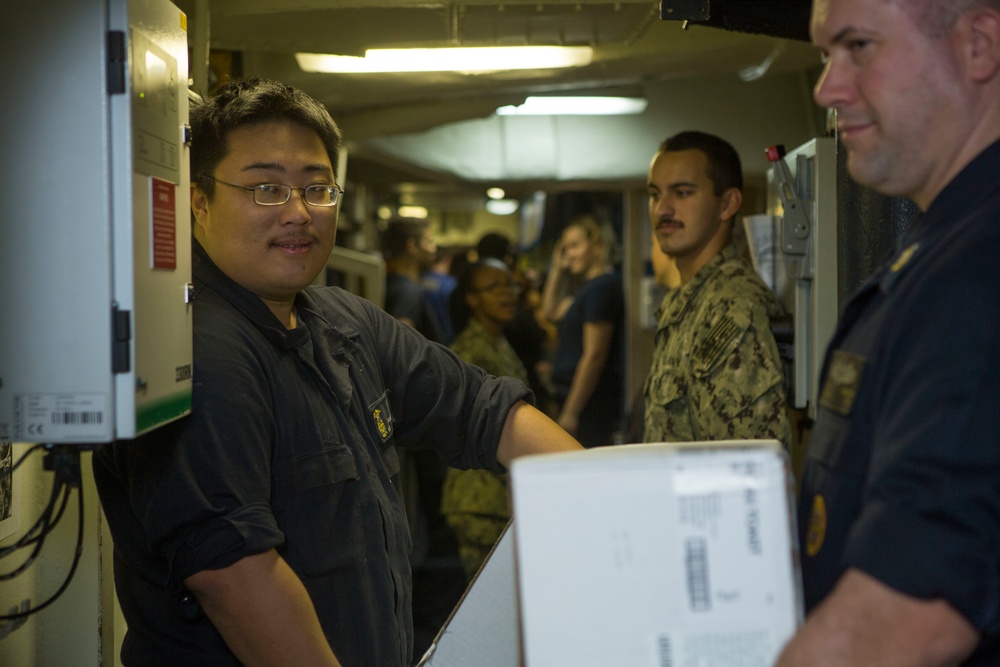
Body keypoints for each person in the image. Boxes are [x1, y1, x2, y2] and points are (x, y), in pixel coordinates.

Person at [91, 77, 583, 667]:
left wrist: (606, 505)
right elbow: (235, 577)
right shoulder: (201, 351)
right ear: (200, 200)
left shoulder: (342, 322)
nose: (299, 212)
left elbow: (485, 411)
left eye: (317, 188)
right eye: (266, 188)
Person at [775, 0, 1000, 664]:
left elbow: (909, 614)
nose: (827, 88)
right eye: (825, 54)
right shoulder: (941, 248)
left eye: (860, 47)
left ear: (979, 45)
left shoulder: (981, 270)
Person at [642, 131, 790, 447]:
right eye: (655, 194)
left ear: (728, 204)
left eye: (682, 193)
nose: (662, 210)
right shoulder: (686, 300)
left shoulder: (733, 306)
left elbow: (744, 463)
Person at [440, 258, 527, 580]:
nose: (507, 293)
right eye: (494, 287)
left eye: (510, 284)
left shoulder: (497, 341)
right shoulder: (470, 351)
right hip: (480, 500)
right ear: (472, 299)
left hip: (496, 495)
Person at [542, 215, 625, 447]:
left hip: (589, 405)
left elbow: (594, 355)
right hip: (575, 398)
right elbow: (549, 312)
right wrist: (558, 269)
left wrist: (571, 412)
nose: (569, 254)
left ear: (598, 246)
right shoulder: (587, 289)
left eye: (575, 245)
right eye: (565, 248)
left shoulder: (602, 288)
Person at [382, 216, 447, 344]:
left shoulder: (393, 283)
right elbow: (401, 343)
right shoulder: (407, 291)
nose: (433, 248)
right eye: (429, 241)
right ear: (412, 246)